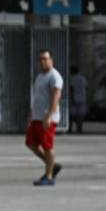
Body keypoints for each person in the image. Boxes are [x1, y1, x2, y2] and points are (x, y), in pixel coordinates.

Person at [27, 50, 64, 186]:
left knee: (47, 146)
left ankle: (49, 177)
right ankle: (51, 165)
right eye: (41, 59)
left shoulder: (55, 76)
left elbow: (56, 97)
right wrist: (30, 115)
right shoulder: (39, 77)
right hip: (36, 117)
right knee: (31, 143)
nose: (43, 61)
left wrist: (48, 116)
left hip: (47, 118)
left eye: (45, 59)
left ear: (51, 60)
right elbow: (36, 97)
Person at [68, 65, 87, 135]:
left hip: (75, 98)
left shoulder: (72, 78)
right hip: (82, 98)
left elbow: (71, 89)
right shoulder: (83, 78)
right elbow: (86, 87)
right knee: (80, 115)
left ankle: (70, 129)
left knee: (72, 115)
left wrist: (72, 98)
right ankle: (80, 129)